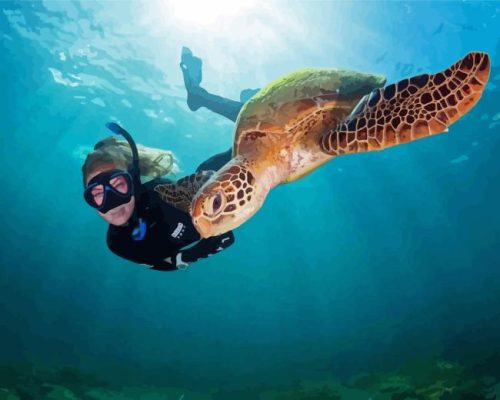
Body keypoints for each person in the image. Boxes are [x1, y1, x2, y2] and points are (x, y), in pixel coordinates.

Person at [82, 47, 257, 271]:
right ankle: (207, 98)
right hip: (204, 226)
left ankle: (218, 101)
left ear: (133, 181)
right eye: (97, 195)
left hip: (205, 196)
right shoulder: (118, 244)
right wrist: (193, 255)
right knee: (250, 147)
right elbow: (158, 263)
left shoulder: (161, 196)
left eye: (118, 186)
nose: (112, 201)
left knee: (249, 146)